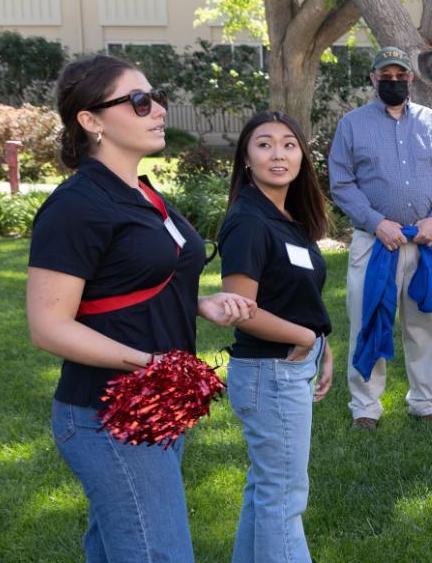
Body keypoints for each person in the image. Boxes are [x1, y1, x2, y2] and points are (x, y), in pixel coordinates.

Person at [26, 55, 255, 562]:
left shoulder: (143, 193)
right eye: (139, 101)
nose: (158, 111)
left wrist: (200, 304)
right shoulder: (77, 206)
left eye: (157, 99)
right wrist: (150, 364)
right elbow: (48, 326)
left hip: (156, 408)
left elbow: (134, 281)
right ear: (91, 120)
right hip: (106, 415)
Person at [218, 112, 334, 562]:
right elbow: (240, 309)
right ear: (246, 159)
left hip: (286, 365)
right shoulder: (248, 220)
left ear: (302, 156)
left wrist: (320, 343)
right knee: (283, 497)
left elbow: (296, 295)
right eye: (264, 144)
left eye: (288, 144)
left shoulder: (286, 217)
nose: (278, 153)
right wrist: (305, 338)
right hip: (270, 372)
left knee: (268, 487)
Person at [329, 46, 432, 428]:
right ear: (372, 79)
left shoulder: (431, 121)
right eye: (384, 77)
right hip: (375, 244)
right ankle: (366, 409)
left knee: (426, 325)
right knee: (368, 321)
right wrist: (376, 222)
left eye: (399, 76)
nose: (393, 82)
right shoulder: (352, 124)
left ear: (411, 79)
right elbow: (341, 182)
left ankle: (425, 402)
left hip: (425, 242)